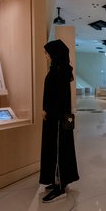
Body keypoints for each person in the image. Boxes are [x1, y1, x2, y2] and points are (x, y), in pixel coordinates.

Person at [39, 39, 79, 202]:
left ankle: (59, 186)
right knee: (60, 147)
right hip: (59, 117)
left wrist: (47, 111)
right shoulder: (61, 69)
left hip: (56, 119)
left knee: (56, 148)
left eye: (47, 53)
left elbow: (57, 97)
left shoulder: (58, 71)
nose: (46, 55)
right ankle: (61, 179)